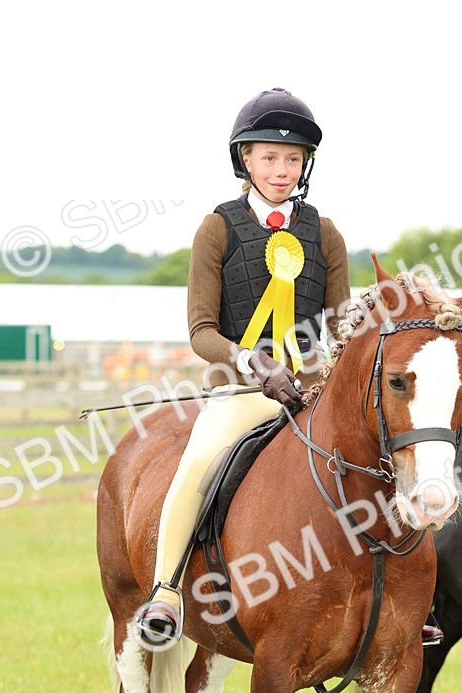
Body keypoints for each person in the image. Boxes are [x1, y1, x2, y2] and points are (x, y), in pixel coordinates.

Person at [135, 86, 353, 648]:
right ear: (245, 160)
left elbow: (341, 323)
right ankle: (164, 591)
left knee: (377, 460)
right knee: (199, 461)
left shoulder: (325, 234)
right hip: (239, 393)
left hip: (309, 395)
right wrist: (251, 362)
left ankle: (395, 593)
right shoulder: (219, 229)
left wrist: (335, 360)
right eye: (270, 157)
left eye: (293, 159)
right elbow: (201, 331)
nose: (282, 169)